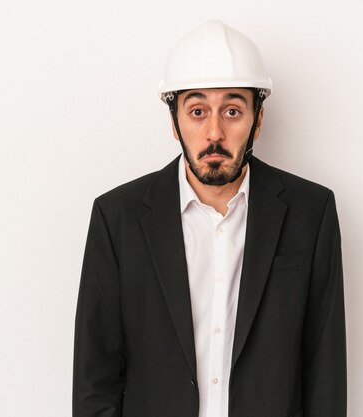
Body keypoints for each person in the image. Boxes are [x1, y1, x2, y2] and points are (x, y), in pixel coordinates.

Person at [73, 20, 346, 417]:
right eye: (197, 111)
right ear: (174, 122)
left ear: (258, 119)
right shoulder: (118, 218)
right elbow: (94, 379)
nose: (214, 132)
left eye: (232, 110)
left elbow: (326, 373)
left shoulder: (311, 212)